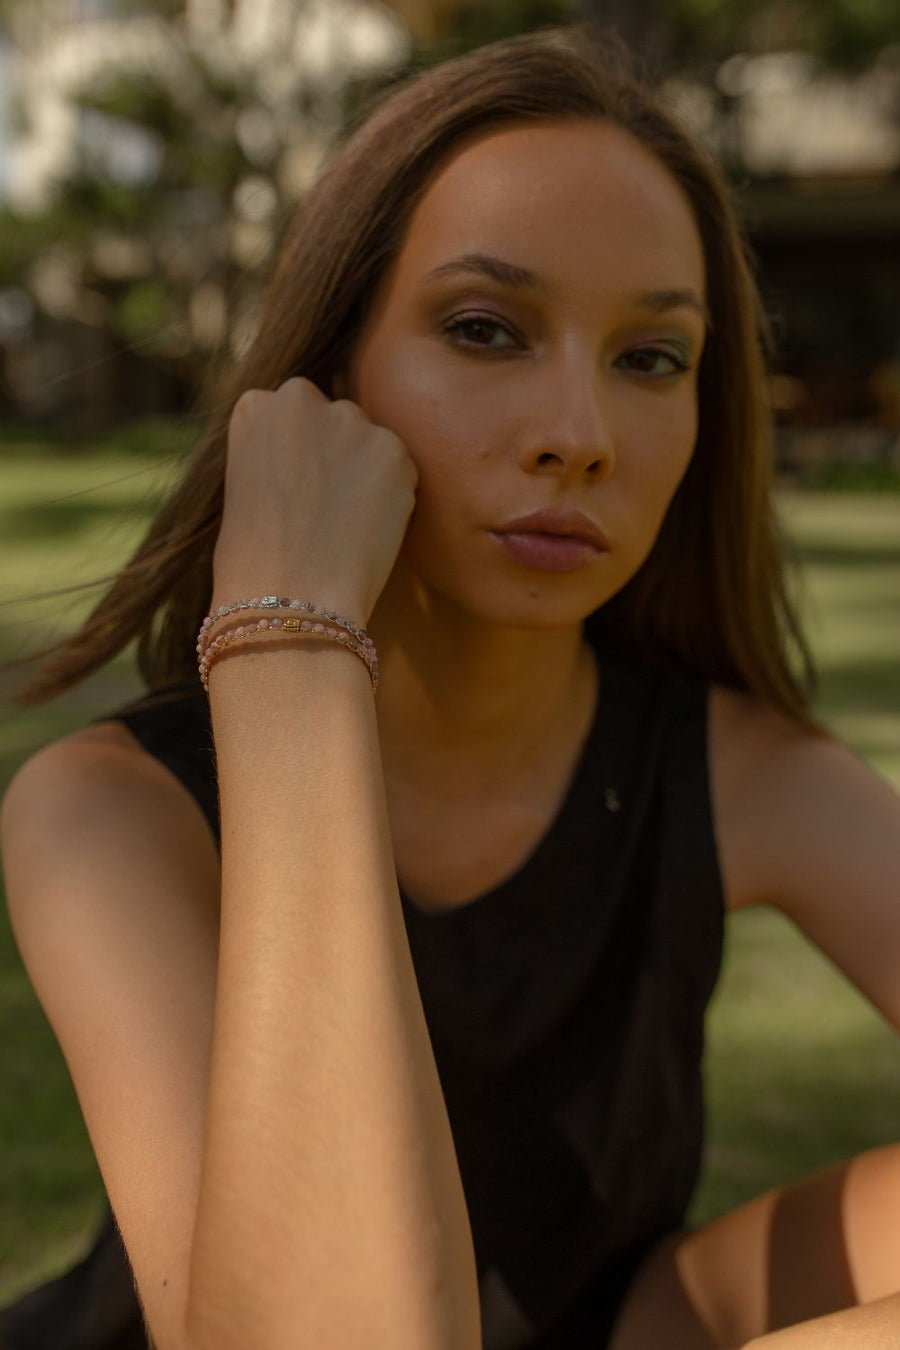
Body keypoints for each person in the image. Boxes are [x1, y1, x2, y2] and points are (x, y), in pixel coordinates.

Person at [1, 23, 899, 1350]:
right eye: (485, 329)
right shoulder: (111, 815)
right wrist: (290, 647)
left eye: (651, 357)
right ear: (330, 379)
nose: (578, 436)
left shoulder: (735, 772)